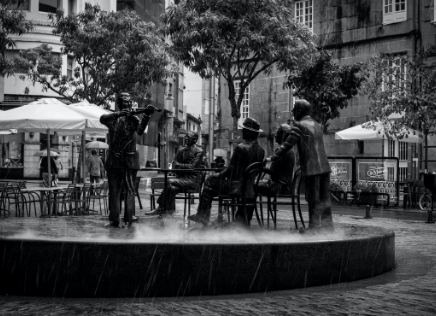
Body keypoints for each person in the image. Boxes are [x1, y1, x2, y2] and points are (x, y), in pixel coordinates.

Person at [188, 117, 265, 226]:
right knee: (211, 187)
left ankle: (203, 216)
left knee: (209, 181)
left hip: (236, 187)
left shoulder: (241, 148)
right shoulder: (261, 151)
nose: (242, 131)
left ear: (248, 132)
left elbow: (230, 171)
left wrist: (217, 175)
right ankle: (207, 216)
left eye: (243, 130)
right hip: (250, 187)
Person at [270, 100, 334, 231]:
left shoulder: (299, 125)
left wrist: (273, 157)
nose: (293, 113)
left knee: (313, 199)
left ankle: (314, 228)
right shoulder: (317, 125)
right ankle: (328, 228)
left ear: (299, 111)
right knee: (325, 199)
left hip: (312, 168)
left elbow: (287, 145)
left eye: (294, 110)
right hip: (325, 168)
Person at [100, 92, 158, 228]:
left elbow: (140, 131)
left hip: (129, 160)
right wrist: (118, 114)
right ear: (119, 104)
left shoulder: (134, 119)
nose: (129, 103)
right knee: (114, 190)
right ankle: (114, 219)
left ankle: (129, 219)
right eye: (125, 101)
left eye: (130, 101)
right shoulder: (113, 118)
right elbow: (102, 119)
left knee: (130, 190)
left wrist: (147, 115)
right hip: (114, 160)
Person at [144, 131, 205, 216]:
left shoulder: (199, 151)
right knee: (172, 188)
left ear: (194, 140)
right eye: (185, 136)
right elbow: (174, 165)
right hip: (181, 179)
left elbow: (192, 167)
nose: (186, 138)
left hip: (192, 181)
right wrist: (180, 166)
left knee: (169, 181)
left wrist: (179, 166)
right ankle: (169, 212)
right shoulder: (181, 150)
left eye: (189, 137)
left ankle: (160, 207)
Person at [255, 124, 295, 197]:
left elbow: (273, 172)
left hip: (277, 187)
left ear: (283, 135)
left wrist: (261, 168)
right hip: (288, 187)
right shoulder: (291, 151)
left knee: (251, 185)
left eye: (278, 133)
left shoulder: (280, 151)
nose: (275, 135)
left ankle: (248, 207)